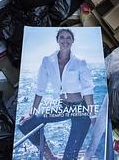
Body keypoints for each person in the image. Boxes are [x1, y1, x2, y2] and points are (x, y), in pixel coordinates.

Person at [19, 29, 95, 160]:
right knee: (25, 124)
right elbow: (40, 89)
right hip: (62, 107)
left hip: (80, 110)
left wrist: (92, 115)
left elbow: (88, 91)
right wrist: (32, 112)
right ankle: (50, 156)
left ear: (72, 41)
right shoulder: (47, 61)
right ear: (57, 40)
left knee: (69, 158)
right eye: (62, 37)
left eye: (68, 38)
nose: (65, 40)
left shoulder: (80, 61)